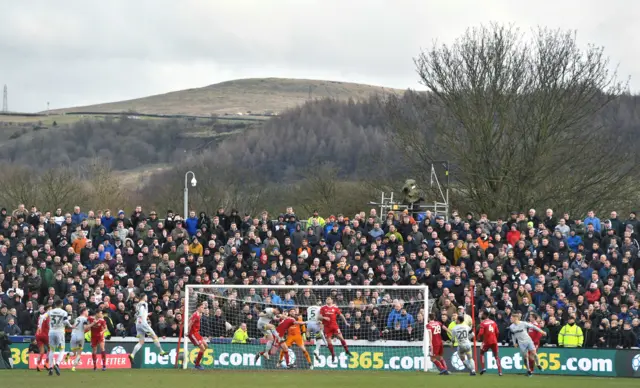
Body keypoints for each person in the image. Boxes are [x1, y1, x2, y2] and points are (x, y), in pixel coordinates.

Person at [129, 294, 167, 363]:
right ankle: (161, 351)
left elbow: (136, 314)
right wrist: (141, 317)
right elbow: (141, 311)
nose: (147, 298)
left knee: (141, 342)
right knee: (154, 337)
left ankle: (132, 355)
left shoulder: (137, 304)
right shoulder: (144, 303)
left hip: (138, 324)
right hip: (143, 323)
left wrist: (146, 314)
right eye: (146, 297)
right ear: (143, 297)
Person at [509, 312, 546, 377]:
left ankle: (538, 364)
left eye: (511, 318)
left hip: (528, 341)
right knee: (525, 357)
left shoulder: (523, 323)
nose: (510, 319)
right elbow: (513, 335)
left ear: (515, 318)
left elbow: (534, 327)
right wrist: (514, 343)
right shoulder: (511, 327)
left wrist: (542, 331)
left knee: (534, 354)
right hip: (521, 343)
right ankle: (529, 370)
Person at [320, 297, 351, 362]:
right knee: (329, 342)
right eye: (327, 299)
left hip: (335, 326)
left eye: (329, 299)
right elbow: (318, 317)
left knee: (341, 338)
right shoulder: (323, 308)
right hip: (327, 327)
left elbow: (341, 315)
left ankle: (347, 350)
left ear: (332, 301)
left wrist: (346, 322)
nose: (328, 300)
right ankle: (333, 354)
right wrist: (324, 317)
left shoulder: (335, 308)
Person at [48, 300, 72, 376]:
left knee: (52, 350)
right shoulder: (64, 312)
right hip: (60, 332)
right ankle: (57, 364)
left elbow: (45, 318)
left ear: (55, 304)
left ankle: (50, 368)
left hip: (51, 332)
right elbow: (65, 321)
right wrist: (70, 324)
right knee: (62, 350)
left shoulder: (51, 311)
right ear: (61, 304)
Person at [478, 309, 502, 376]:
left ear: (485, 315)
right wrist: (495, 338)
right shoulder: (493, 322)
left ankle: (483, 368)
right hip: (494, 341)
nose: (481, 315)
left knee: (481, 353)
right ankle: (500, 371)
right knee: (496, 356)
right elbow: (497, 332)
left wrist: (478, 338)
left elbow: (480, 333)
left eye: (482, 314)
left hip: (486, 342)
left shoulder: (483, 323)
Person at [188, 302, 208, 370]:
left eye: (203, 307)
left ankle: (196, 360)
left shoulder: (199, 314)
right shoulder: (196, 315)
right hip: (193, 333)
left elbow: (189, 319)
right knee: (202, 348)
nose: (203, 309)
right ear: (198, 308)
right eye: (202, 307)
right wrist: (187, 332)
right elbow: (190, 324)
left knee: (206, 345)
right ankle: (197, 365)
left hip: (197, 333)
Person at [35, 306, 51, 372]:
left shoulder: (40, 316)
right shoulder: (48, 317)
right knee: (50, 349)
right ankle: (46, 363)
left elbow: (38, 325)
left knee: (41, 351)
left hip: (38, 335)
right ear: (48, 310)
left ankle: (38, 365)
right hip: (45, 335)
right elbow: (49, 326)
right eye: (50, 309)